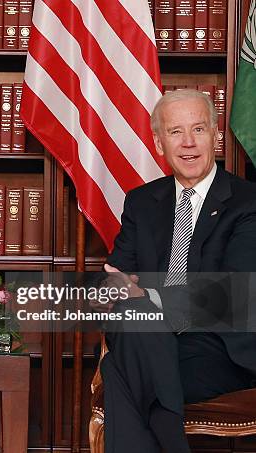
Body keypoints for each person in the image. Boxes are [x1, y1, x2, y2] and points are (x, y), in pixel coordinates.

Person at [97, 89, 256, 452]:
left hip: (216, 351)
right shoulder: (141, 202)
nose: (188, 143)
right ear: (158, 142)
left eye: (198, 130)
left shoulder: (247, 202)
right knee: (137, 324)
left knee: (119, 369)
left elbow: (227, 296)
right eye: (175, 132)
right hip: (149, 340)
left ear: (216, 136)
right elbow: (116, 273)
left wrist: (146, 296)